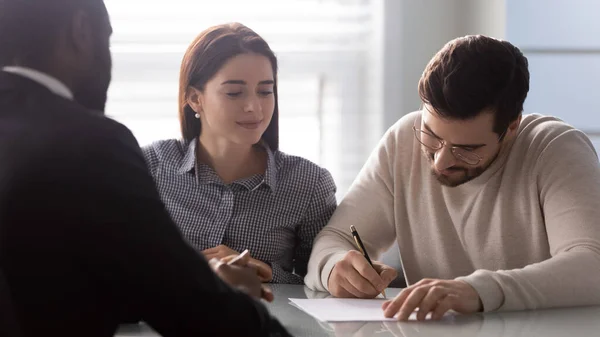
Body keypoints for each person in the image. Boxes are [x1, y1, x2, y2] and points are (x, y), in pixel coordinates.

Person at [0, 1, 291, 336]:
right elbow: (180, 298)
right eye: (106, 41)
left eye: (265, 90)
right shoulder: (89, 144)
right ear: (81, 31)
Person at [305, 35, 600, 320]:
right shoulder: (403, 140)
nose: (441, 161)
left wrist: (477, 291)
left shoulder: (554, 148)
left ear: (511, 127)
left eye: (466, 149)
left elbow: (592, 265)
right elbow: (337, 239)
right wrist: (334, 268)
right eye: (432, 136)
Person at [142, 23, 337, 284]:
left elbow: (321, 285)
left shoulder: (309, 183)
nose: (254, 107)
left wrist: (266, 272)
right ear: (195, 98)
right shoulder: (150, 166)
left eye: (265, 91)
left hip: (267, 323)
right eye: (234, 93)